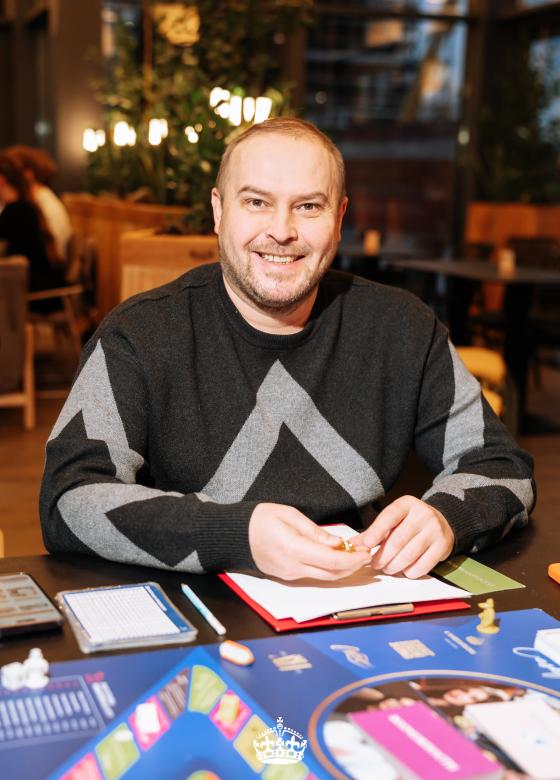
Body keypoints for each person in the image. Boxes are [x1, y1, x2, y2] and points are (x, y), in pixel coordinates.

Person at [39, 118, 535, 581]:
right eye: (256, 202)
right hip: (200, 611)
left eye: (309, 206)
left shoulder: (403, 328)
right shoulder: (138, 334)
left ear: (339, 218)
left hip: (363, 601)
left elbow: (504, 468)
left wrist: (448, 518)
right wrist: (235, 535)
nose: (281, 230)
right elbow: (69, 499)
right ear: (219, 211)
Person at [0, 153, 64, 295]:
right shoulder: (25, 206)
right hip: (41, 284)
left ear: (2, 179)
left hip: (37, 293)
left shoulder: (17, 211)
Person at [5, 145, 72, 264]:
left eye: (10, 175)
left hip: (47, 269)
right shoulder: (40, 197)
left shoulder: (36, 204)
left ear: (28, 174)